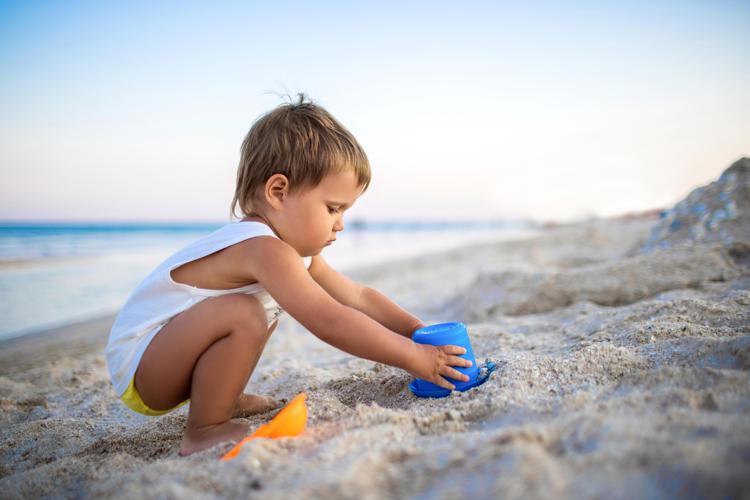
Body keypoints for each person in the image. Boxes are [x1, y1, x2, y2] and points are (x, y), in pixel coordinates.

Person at [104, 94, 472, 456]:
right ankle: (205, 429)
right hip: (144, 369)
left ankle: (221, 397)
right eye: (332, 208)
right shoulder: (262, 248)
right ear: (278, 191)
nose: (341, 224)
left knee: (256, 312)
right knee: (244, 312)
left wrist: (414, 330)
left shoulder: (291, 254)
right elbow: (329, 320)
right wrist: (415, 358)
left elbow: (356, 296)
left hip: (169, 358)